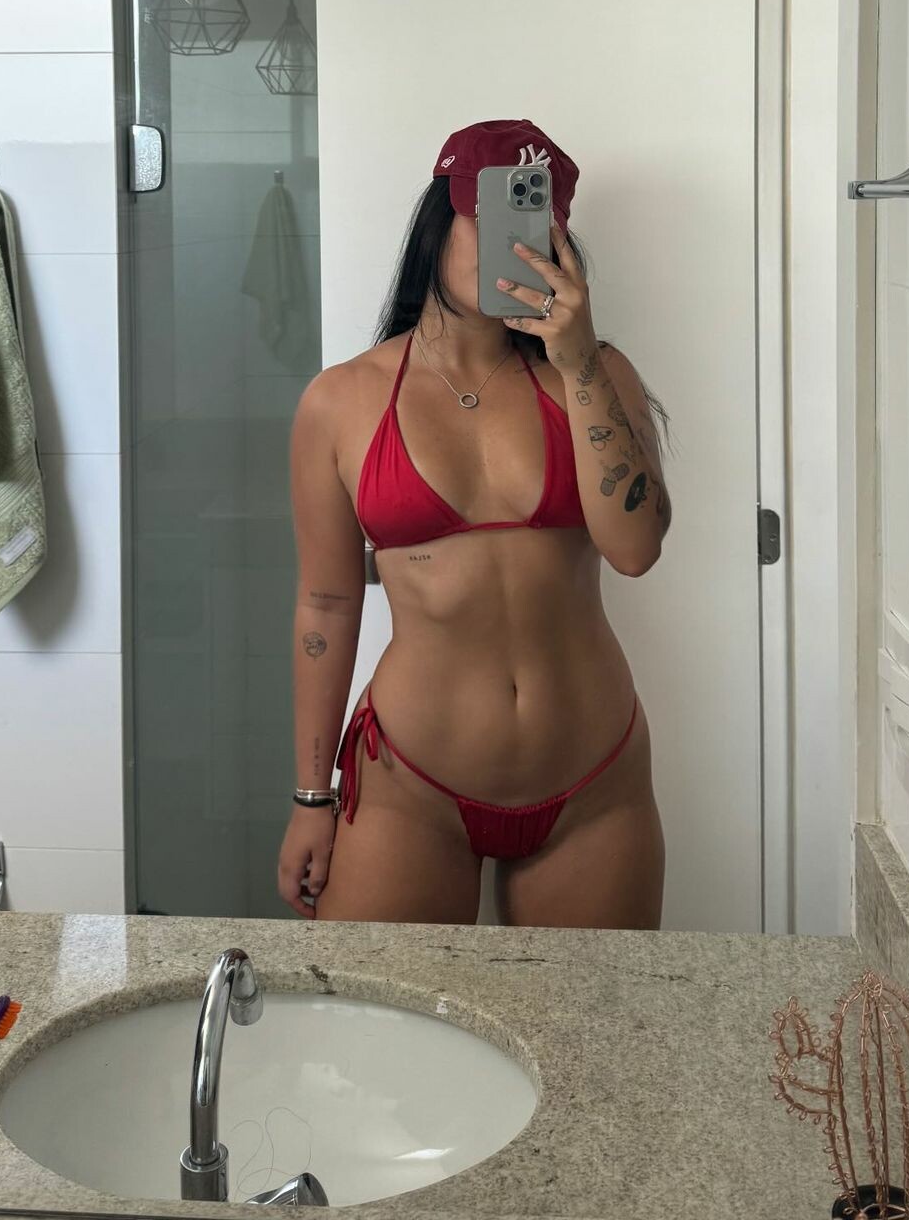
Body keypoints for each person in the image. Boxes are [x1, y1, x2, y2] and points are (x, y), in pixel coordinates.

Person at [277, 118, 670, 927]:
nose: (515, 247)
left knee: (593, 1014)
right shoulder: (341, 400)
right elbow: (326, 604)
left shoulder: (598, 375)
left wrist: (577, 356)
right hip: (409, 790)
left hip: (593, 789)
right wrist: (312, 796)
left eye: (537, 226)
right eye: (488, 220)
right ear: (437, 223)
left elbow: (635, 550)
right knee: (381, 1012)